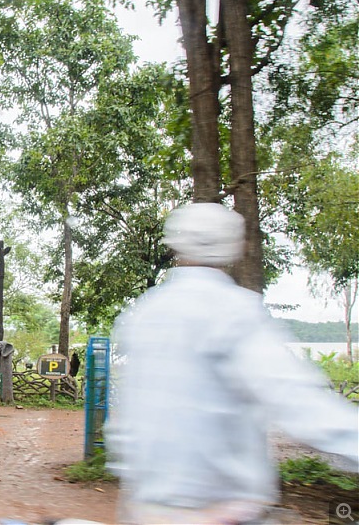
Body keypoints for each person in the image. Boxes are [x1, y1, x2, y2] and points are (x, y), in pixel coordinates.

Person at [106, 203, 359, 524]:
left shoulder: (143, 312)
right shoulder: (234, 311)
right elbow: (296, 400)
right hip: (223, 513)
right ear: (234, 247)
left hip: (146, 509)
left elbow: (125, 420)